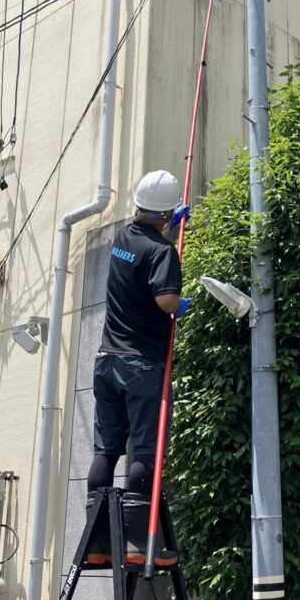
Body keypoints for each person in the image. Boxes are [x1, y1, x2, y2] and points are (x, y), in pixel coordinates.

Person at [85, 169, 191, 567]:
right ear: (165, 214)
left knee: (106, 449)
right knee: (146, 448)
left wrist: (165, 224)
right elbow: (166, 301)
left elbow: (140, 247)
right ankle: (135, 544)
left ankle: (96, 543)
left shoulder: (121, 239)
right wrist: (181, 304)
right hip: (141, 365)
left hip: (106, 361)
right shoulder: (163, 252)